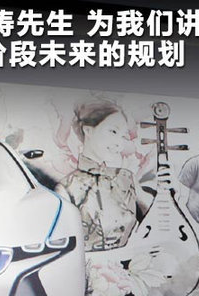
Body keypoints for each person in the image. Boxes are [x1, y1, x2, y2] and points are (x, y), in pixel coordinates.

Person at [55, 100, 138, 252]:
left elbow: (155, 222)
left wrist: (171, 190)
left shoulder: (126, 178)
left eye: (123, 136)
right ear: (88, 130)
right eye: (113, 132)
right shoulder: (66, 188)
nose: (119, 144)